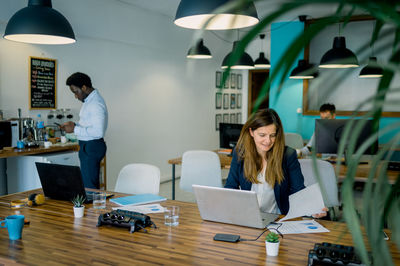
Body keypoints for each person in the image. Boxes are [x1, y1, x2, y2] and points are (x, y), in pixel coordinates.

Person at [225, 108, 326, 217]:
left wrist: (312, 208)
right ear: (251, 132)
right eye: (262, 135)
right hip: (248, 217)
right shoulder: (240, 152)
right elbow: (230, 187)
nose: (268, 141)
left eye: (272, 135)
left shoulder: (288, 155)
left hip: (277, 218)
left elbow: (298, 190)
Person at [61, 72, 108, 189]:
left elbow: (98, 132)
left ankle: (92, 207)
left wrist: (75, 129)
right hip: (88, 146)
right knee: (87, 185)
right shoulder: (89, 101)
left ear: (84, 87)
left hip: (92, 146)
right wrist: (75, 125)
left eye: (76, 92)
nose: (76, 96)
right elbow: (89, 124)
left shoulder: (95, 103)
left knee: (89, 188)